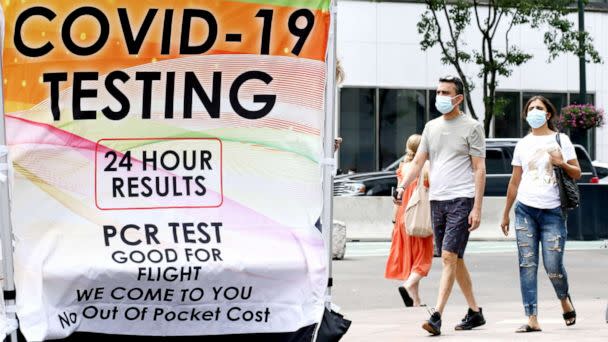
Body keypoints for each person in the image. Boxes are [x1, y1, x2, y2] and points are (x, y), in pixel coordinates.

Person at [397, 75, 486, 336]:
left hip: (462, 198)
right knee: (455, 258)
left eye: (446, 92)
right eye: (438, 92)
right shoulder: (431, 127)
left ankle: (436, 316)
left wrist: (477, 207)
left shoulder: (472, 127)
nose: (440, 97)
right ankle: (474, 311)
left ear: (458, 98)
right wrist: (403, 186)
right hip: (437, 199)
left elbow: (479, 169)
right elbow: (417, 162)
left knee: (447, 256)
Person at [500, 95, 579, 333]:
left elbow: (577, 173)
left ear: (547, 114)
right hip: (525, 210)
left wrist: (561, 163)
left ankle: (564, 298)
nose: (534, 111)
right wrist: (506, 213)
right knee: (527, 264)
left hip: (553, 211)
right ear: (526, 115)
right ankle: (532, 317)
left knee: (553, 265)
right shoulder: (522, 144)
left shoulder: (560, 139)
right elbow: (514, 181)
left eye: (539, 108)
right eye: (530, 108)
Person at [385, 134, 433, 307]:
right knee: (424, 258)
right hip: (419, 217)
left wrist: (393, 222)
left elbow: (398, 199)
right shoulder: (426, 166)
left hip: (402, 219)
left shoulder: (403, 167)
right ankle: (407, 285)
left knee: (412, 259)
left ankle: (415, 300)